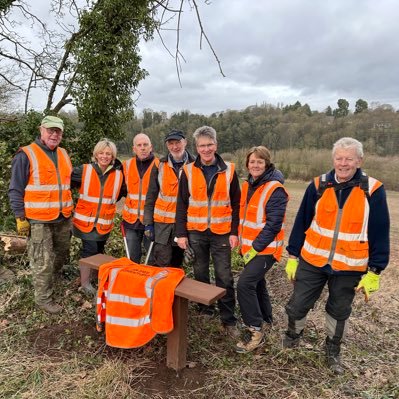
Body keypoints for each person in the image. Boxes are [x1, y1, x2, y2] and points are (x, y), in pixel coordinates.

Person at [283, 137, 390, 374]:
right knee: (299, 303)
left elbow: (380, 230)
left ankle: (332, 349)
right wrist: (292, 255)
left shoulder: (373, 190)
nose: (343, 163)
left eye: (349, 159)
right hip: (313, 260)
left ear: (359, 161)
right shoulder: (319, 185)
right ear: (333, 159)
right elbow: (302, 221)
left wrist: (375, 270)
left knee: (339, 309)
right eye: (339, 158)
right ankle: (292, 335)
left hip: (350, 265)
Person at [175, 126, 241, 337]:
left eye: (209, 144)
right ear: (196, 147)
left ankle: (228, 318)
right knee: (200, 272)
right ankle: (205, 310)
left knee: (224, 275)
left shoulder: (230, 170)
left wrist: (234, 231)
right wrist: (182, 234)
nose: (206, 149)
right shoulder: (187, 171)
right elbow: (181, 204)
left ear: (216, 145)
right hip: (196, 231)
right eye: (202, 146)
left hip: (222, 231)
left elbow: (237, 203)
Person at [8, 115, 73, 314]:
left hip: (62, 217)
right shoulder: (26, 154)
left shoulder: (63, 153)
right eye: (50, 130)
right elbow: (15, 189)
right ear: (41, 130)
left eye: (58, 131)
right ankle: (43, 298)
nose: (54, 134)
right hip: (38, 220)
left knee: (61, 254)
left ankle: (51, 280)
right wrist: (20, 217)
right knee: (42, 261)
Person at [235, 146, 288, 353]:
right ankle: (266, 319)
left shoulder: (274, 189)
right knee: (257, 283)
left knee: (244, 285)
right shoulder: (249, 185)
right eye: (252, 162)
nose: (255, 165)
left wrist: (254, 248)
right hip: (251, 248)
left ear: (267, 163)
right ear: (247, 164)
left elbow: (273, 224)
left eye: (259, 162)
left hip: (266, 250)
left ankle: (255, 331)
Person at [71, 138, 125, 295]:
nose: (104, 156)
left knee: (99, 250)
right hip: (85, 221)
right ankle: (85, 284)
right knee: (90, 250)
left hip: (104, 223)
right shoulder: (84, 170)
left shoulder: (119, 175)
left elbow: (121, 193)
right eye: (101, 153)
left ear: (113, 156)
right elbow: (68, 184)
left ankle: (92, 277)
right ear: (96, 154)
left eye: (108, 153)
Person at [143, 129, 195, 267]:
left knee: (177, 263)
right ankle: (158, 289)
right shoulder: (159, 165)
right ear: (167, 145)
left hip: (185, 224)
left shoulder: (195, 165)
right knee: (161, 261)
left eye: (177, 142)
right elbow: (150, 196)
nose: (174, 147)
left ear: (185, 142)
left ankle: (173, 288)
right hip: (162, 226)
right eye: (170, 143)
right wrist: (148, 223)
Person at [122, 133, 158, 264]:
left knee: (152, 259)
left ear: (151, 147)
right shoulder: (126, 165)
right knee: (132, 258)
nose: (142, 148)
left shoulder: (160, 165)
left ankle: (149, 284)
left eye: (145, 145)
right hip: (131, 221)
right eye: (139, 145)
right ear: (134, 149)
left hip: (152, 222)